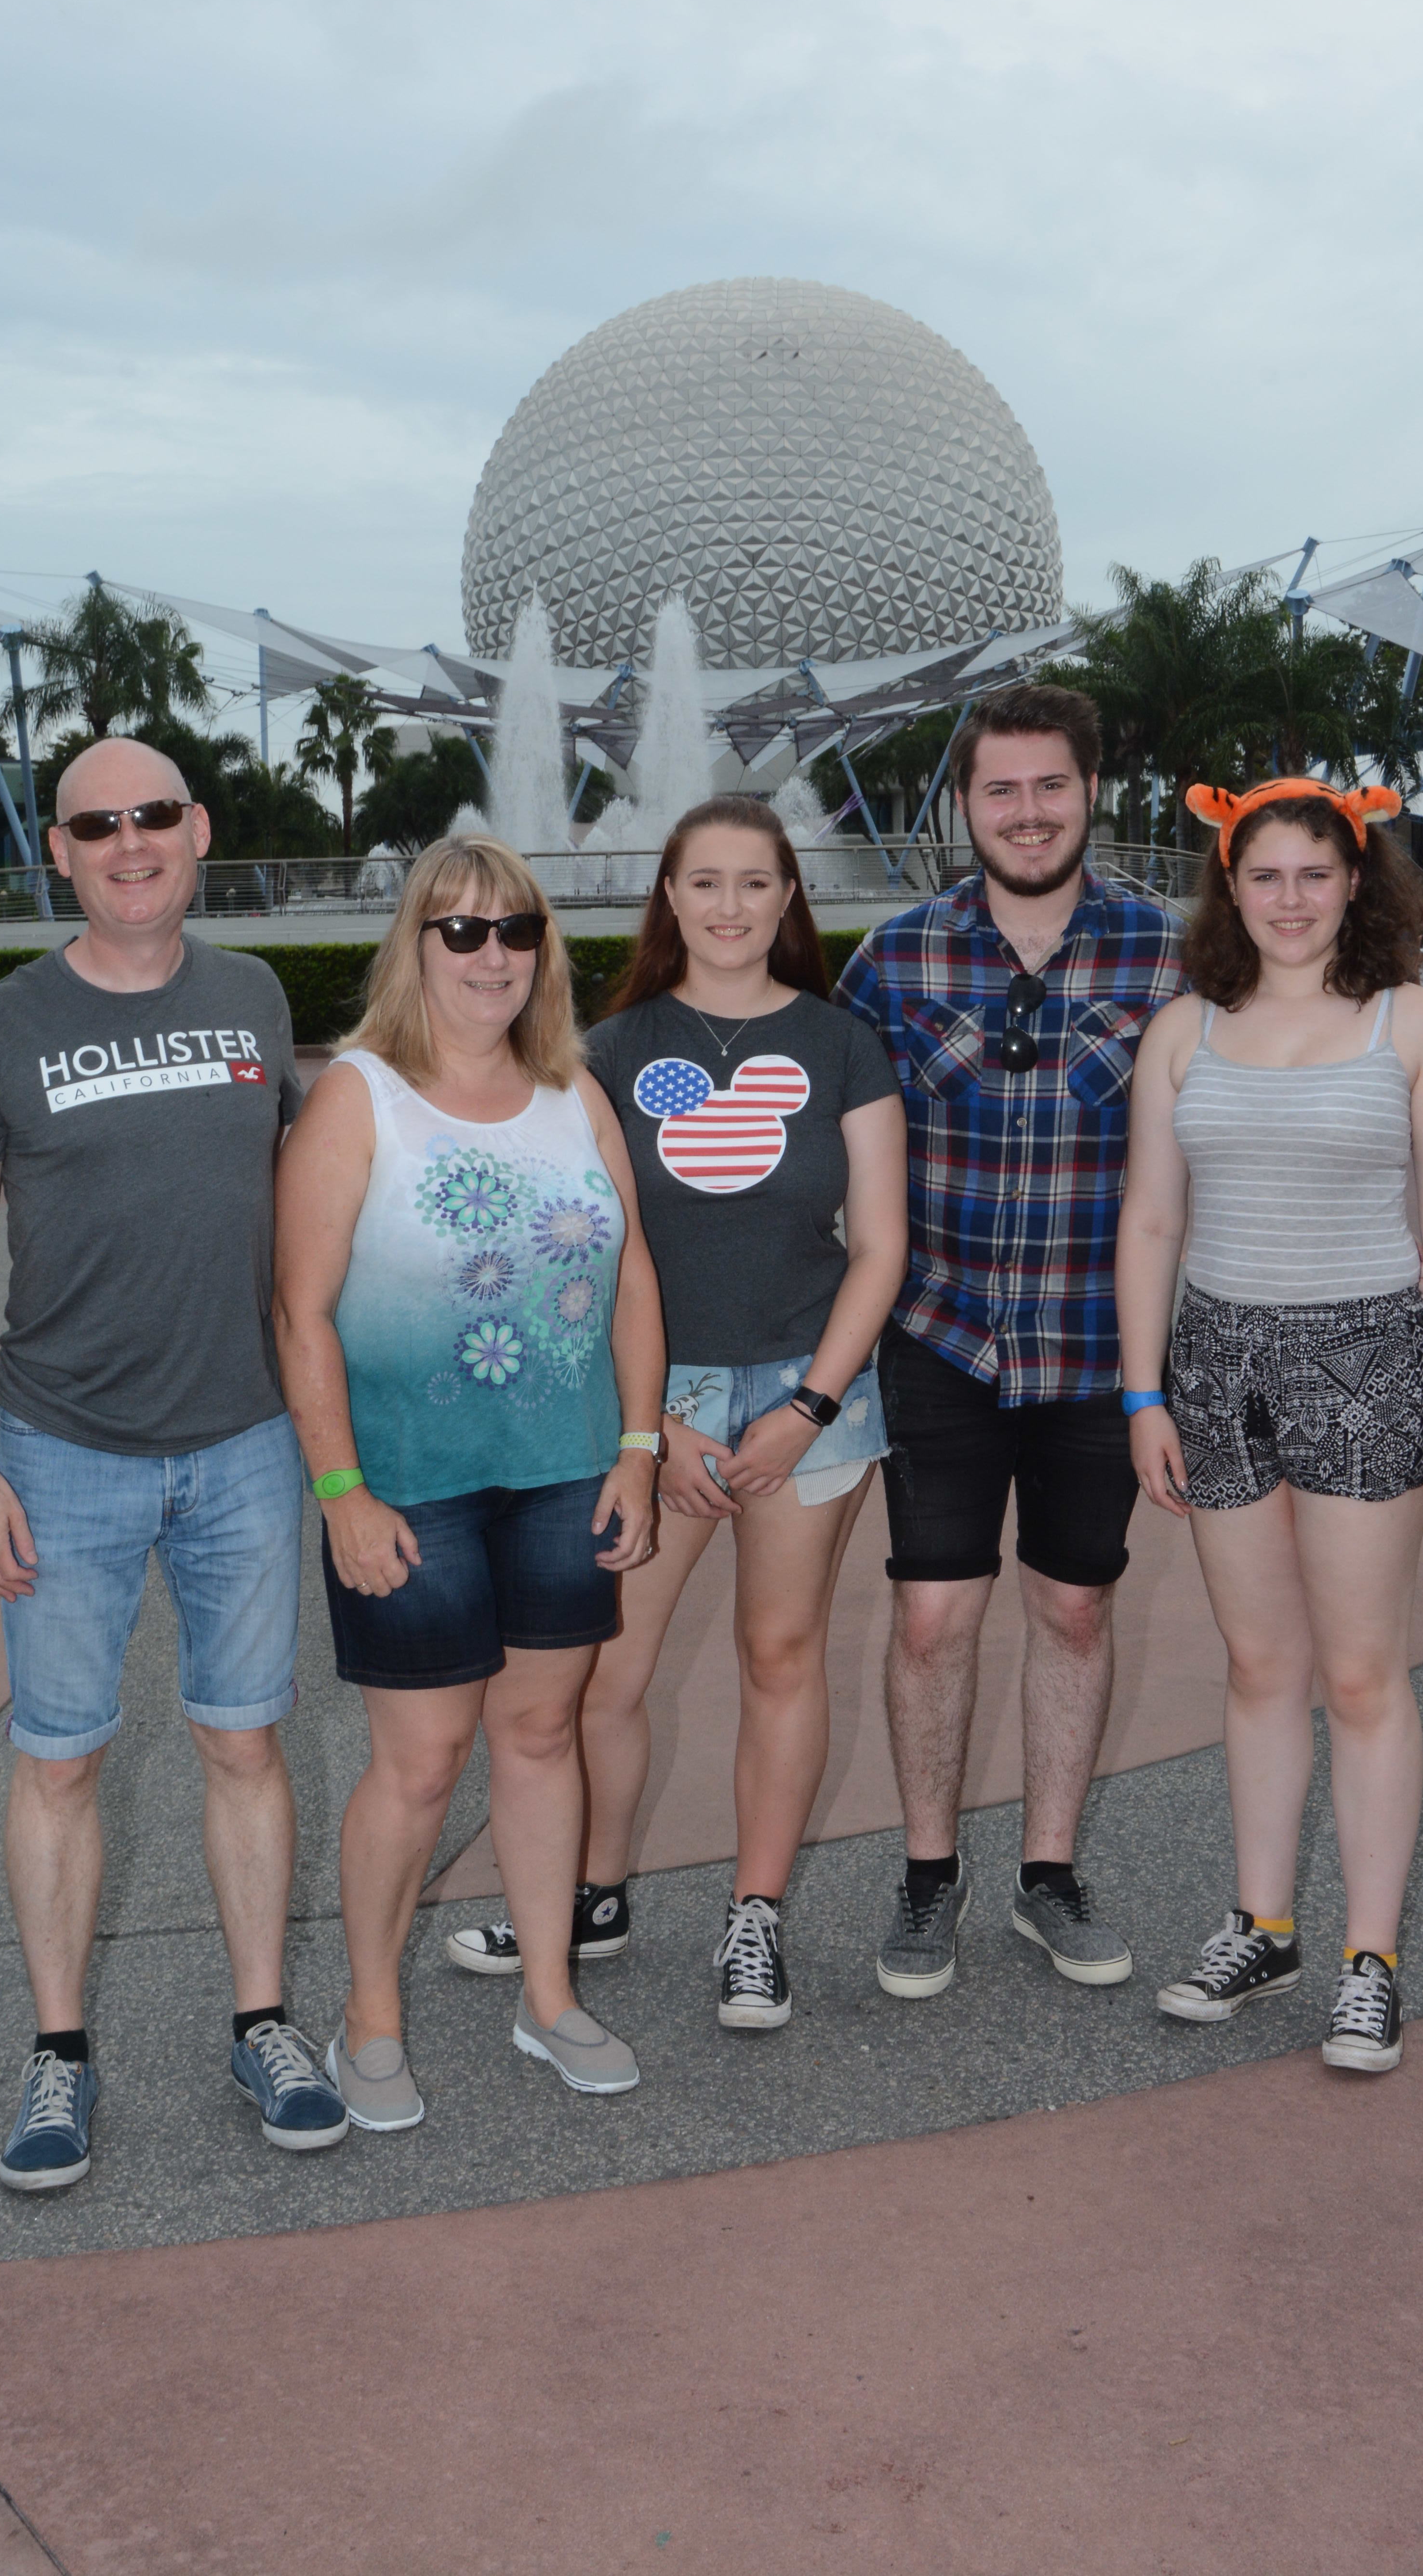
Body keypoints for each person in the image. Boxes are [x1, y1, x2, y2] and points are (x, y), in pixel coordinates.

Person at [0, 735, 347, 2192]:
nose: (129, 841)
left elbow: (305, 1199)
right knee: (60, 1758)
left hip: (241, 1444)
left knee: (244, 1739)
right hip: (59, 1449)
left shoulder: (251, 995)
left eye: (152, 815)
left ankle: (261, 2023)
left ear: (198, 830)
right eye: (97, 823)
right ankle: (58, 2053)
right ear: (60, 849)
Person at [453, 797, 906, 2030]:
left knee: (781, 1654)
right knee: (604, 1671)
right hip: (657, 1407)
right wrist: (653, 1428)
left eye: (753, 884)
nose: (727, 907)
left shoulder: (841, 1044)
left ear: (786, 899)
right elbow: (582, 1257)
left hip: (808, 1396)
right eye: (702, 883)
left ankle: (754, 1919)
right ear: (667, 896)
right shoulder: (605, 1049)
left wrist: (809, 1406)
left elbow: (879, 1246)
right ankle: (590, 1894)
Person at [272, 835, 665, 2119]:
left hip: (565, 1475)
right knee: (425, 1760)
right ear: (417, 946)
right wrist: (342, 1492)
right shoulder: (361, 1095)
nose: (492, 954)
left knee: (542, 1735)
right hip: (410, 1487)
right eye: (462, 931)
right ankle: (368, 2016)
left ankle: (548, 1998)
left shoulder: (574, 1091)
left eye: (517, 931)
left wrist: (640, 1447)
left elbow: (634, 1278)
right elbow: (301, 1312)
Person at [1117, 777, 1423, 2075]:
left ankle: (1369, 1960)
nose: (1290, 898)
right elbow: (1153, 1223)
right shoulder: (1186, 1032)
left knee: (1359, 1674)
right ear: (1232, 888)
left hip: (1370, 1357)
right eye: (1265, 874)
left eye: (1314, 874)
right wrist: (1140, 1392)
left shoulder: (1412, 1027)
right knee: (1259, 1667)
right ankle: (1263, 1923)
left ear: (1356, 884)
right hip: (1218, 1360)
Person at [833, 680, 1184, 2000]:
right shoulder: (898, 958)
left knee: (1076, 1608)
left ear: (1092, 792)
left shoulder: (1169, 957)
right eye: (1001, 789)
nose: (1027, 813)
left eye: (1050, 787)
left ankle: (1049, 1873)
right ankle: (930, 1878)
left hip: (1101, 1346)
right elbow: (825, 1148)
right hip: (943, 1338)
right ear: (964, 803)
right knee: (931, 1619)